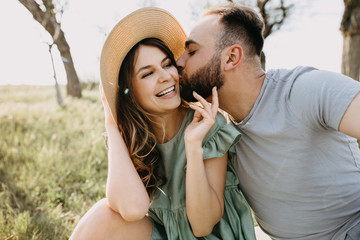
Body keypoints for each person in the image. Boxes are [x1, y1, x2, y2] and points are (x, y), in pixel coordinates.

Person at [176, 3, 360, 240]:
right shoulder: (218, 131)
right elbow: (201, 225)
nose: (179, 62)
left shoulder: (304, 90)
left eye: (191, 52)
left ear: (232, 57)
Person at [69, 7, 256, 240]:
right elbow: (132, 208)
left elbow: (202, 226)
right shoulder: (131, 135)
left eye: (167, 64)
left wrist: (193, 146)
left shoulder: (207, 125)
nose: (166, 76)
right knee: (103, 215)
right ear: (130, 92)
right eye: (147, 74)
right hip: (165, 234)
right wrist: (111, 122)